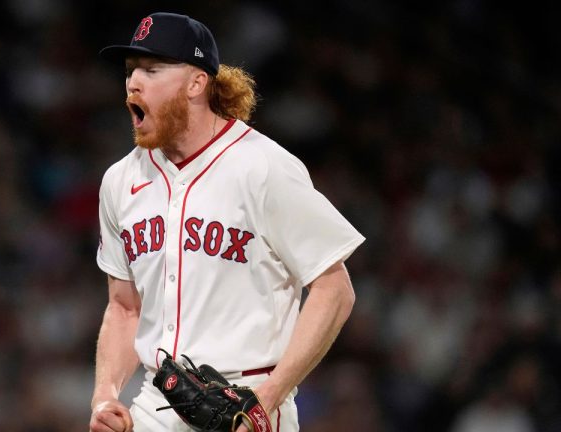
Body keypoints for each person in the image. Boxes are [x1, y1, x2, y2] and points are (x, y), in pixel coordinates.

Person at [89, 12, 365, 432]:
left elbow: (334, 288)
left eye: (152, 69)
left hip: (247, 403)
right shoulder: (120, 181)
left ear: (196, 84)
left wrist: (266, 400)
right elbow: (125, 307)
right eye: (130, 71)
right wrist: (106, 395)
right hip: (154, 403)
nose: (133, 83)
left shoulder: (262, 167)